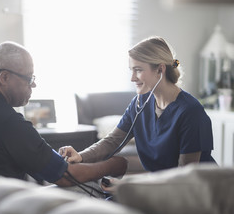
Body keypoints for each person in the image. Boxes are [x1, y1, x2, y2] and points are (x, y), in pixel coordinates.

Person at [0, 41, 127, 188]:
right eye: (29, 78)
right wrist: (113, 165)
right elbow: (65, 176)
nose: (33, 85)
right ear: (4, 77)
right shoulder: (7, 121)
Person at [59, 36, 216, 190]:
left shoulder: (190, 112)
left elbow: (184, 177)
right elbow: (112, 141)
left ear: (160, 70)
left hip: (200, 194)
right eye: (131, 71)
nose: (133, 78)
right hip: (164, 189)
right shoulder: (140, 103)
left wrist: (129, 186)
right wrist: (81, 156)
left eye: (138, 70)